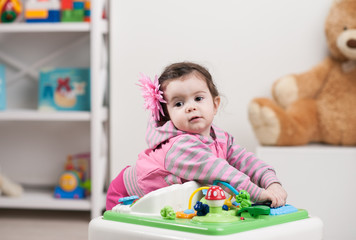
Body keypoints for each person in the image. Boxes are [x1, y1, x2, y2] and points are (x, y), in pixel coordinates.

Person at [106, 62, 287, 210]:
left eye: (198, 98)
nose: (190, 107)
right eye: (179, 103)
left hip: (165, 199)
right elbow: (222, 173)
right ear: (168, 114)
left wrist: (271, 182)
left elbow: (245, 160)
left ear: (215, 105)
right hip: (127, 197)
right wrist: (259, 194)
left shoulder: (221, 137)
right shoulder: (181, 146)